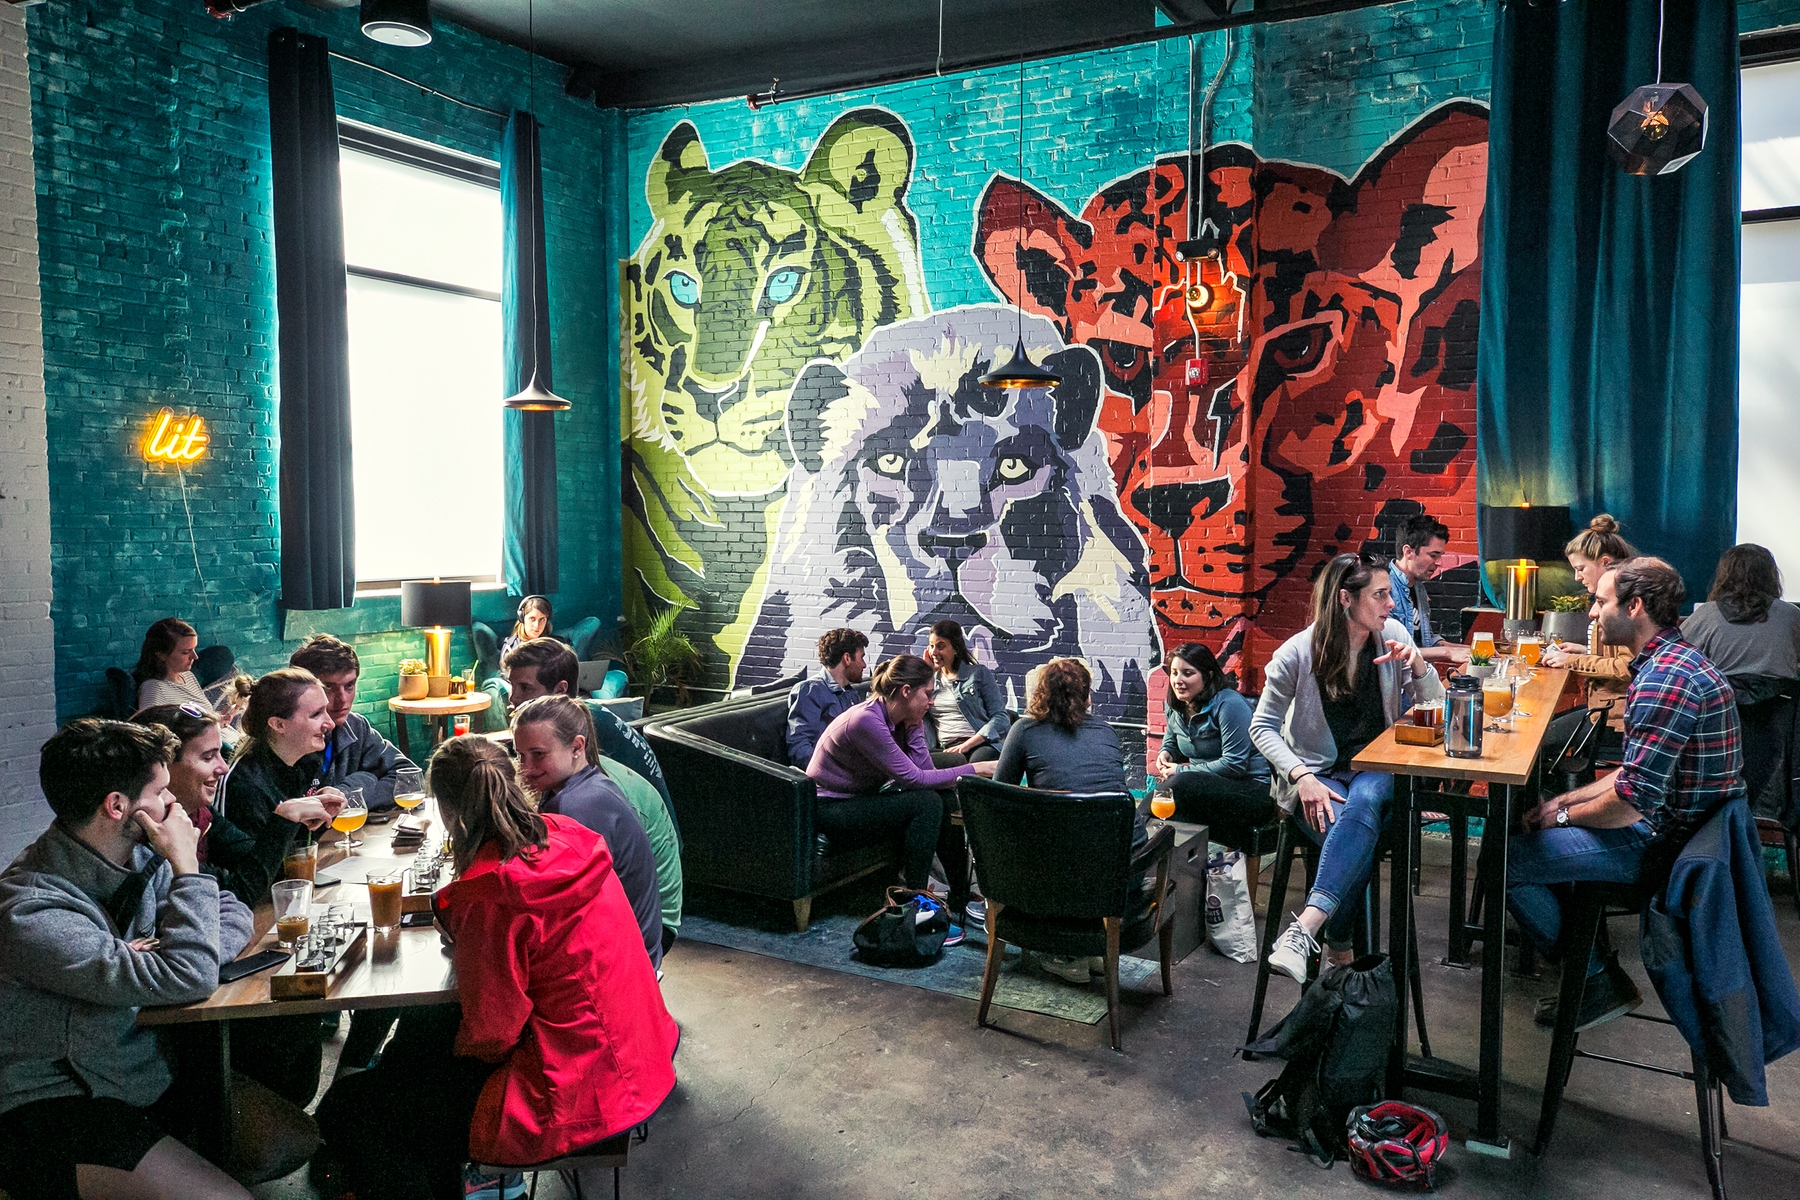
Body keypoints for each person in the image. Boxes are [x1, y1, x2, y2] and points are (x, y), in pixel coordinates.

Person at [315, 736, 678, 1200]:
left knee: (352, 1110)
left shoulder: (493, 890)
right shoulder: (567, 836)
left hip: (573, 1096)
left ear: (448, 811)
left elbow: (492, 1034)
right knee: (418, 1040)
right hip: (635, 1056)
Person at [0, 719, 314, 1200]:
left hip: (143, 1072)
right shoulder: (30, 909)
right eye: (162, 791)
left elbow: (229, 910)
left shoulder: (139, 856)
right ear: (118, 806)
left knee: (293, 1141)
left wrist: (184, 953)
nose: (174, 806)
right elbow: (190, 974)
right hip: (59, 1105)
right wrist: (187, 870)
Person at [1508, 558, 1747, 1031]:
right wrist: (1563, 803)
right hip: (1685, 834)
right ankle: (1589, 966)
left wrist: (1560, 820)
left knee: (1506, 859)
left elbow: (1630, 802)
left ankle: (1594, 977)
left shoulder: (1663, 679)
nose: (1593, 613)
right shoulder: (1670, 662)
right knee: (1540, 828)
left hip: (1669, 850)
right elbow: (1632, 773)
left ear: (1634, 606)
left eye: (1601, 602)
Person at [1250, 553, 1445, 982]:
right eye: (1380, 595)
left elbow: (1437, 707)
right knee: (1359, 836)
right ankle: (1339, 950)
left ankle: (1307, 930)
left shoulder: (1391, 636)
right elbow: (1261, 728)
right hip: (1316, 779)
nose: (1391, 603)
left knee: (1369, 796)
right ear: (1345, 598)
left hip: (1376, 771)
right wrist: (1302, 778)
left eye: (1389, 594)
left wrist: (1417, 664)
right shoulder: (1296, 654)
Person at [131, 705, 335, 1111]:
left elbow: (243, 883)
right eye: (208, 757)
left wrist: (290, 818)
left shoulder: (199, 815)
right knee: (287, 1018)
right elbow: (243, 888)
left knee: (302, 1008)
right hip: (170, 1016)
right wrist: (284, 818)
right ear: (163, 768)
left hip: (202, 969)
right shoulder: (151, 840)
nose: (223, 768)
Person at [807, 655, 996, 938]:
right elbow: (913, 779)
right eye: (927, 694)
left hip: (858, 800)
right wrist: (974, 768)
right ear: (906, 691)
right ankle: (911, 905)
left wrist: (914, 728)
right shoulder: (866, 721)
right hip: (830, 808)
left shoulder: (901, 718)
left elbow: (925, 771)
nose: (931, 702)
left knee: (941, 799)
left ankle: (959, 896)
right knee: (926, 802)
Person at [994, 657, 1139, 984]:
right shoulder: (1106, 731)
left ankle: (1065, 954)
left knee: (1050, 844)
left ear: (1039, 693)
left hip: (1055, 878)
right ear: (1088, 697)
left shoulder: (1025, 730)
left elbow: (999, 796)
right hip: (1117, 877)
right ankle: (1091, 948)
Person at [512, 695, 668, 967]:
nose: (526, 767)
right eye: (520, 755)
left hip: (626, 964)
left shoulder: (578, 805)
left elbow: (559, 905)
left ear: (576, 747)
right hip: (632, 948)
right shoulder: (587, 785)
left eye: (538, 754)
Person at [208, 669, 344, 907]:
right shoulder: (245, 785)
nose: (330, 723)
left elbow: (293, 848)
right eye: (316, 714)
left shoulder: (306, 760)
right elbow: (255, 875)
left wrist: (320, 817)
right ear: (278, 724)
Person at [502, 636, 673, 810]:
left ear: (560, 690)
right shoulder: (585, 713)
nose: (513, 697)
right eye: (512, 685)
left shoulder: (585, 726)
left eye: (525, 688)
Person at [1153, 643, 1273, 846]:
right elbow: (1172, 739)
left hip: (1252, 789)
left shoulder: (1229, 704)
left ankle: (1131, 837)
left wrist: (1183, 771)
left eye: (1187, 673)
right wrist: (1166, 753)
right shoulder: (1176, 704)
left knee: (1179, 785)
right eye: (1174, 673)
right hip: (1205, 785)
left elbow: (1234, 764)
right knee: (1172, 813)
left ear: (1208, 675)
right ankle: (1179, 873)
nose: (1178, 681)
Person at [289, 634, 418, 811]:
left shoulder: (356, 726)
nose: (342, 699)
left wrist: (348, 794)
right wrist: (368, 778)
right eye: (329, 688)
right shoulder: (288, 734)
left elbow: (409, 779)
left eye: (349, 685)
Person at [1541, 514, 1638, 750]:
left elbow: (1629, 666)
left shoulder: (1624, 605)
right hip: (1602, 710)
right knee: (1544, 727)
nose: (1577, 577)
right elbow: (1618, 655)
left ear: (1605, 562)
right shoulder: (1612, 599)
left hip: (1616, 720)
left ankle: (1568, 787)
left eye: (1581, 568)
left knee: (1538, 743)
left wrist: (1575, 660)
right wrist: (1584, 651)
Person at [1681, 543, 1800, 684]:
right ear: (1771, 575)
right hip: (1782, 702)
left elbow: (1679, 657)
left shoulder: (1706, 615)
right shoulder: (1791, 615)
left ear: (1725, 575)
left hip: (1720, 702)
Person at [131, 618, 244, 747]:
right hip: (216, 750)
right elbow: (159, 737)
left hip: (229, 738)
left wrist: (218, 717)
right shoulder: (153, 690)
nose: (195, 657)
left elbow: (195, 719)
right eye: (186, 652)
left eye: (194, 649)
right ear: (161, 655)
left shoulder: (188, 676)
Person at [1386, 513, 1470, 665]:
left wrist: (1475, 650)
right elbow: (1393, 649)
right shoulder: (1384, 588)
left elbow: (1426, 639)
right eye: (1433, 555)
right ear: (1408, 552)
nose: (1439, 563)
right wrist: (1448, 652)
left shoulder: (1418, 587)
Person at [923, 619, 1009, 764]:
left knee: (975, 768)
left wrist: (966, 745)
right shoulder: (930, 682)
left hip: (980, 745)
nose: (934, 652)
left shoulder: (978, 674)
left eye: (941, 646)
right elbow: (914, 710)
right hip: (947, 749)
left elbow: (1001, 718)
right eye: (931, 646)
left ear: (955, 648)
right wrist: (926, 674)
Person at [786, 627, 869, 769]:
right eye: (861, 657)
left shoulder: (852, 695)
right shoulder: (810, 690)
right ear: (847, 658)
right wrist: (837, 770)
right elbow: (799, 749)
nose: (864, 665)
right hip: (829, 778)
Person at [499, 594, 566, 660]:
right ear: (522, 618)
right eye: (532, 619)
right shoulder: (511, 649)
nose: (537, 625)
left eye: (542, 619)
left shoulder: (555, 646)